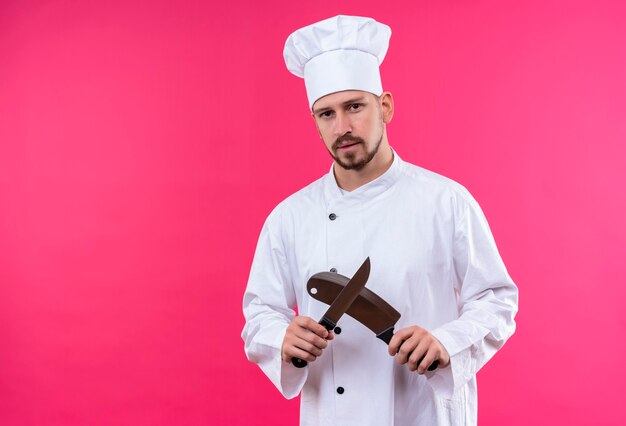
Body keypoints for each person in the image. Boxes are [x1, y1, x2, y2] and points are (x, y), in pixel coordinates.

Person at [241, 15, 518, 426]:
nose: (343, 127)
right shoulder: (289, 218)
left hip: (423, 411)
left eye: (355, 106)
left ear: (385, 106)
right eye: (327, 114)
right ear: (315, 124)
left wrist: (447, 341)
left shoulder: (446, 202)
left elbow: (496, 300)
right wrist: (281, 338)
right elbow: (260, 312)